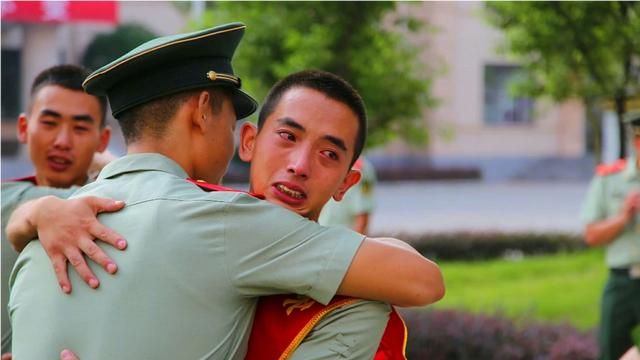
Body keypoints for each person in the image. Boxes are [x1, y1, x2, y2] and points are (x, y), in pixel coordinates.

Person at [6, 23, 443, 359]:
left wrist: (35, 213)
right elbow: (423, 282)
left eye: (329, 154)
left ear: (348, 180)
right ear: (203, 113)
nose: (299, 165)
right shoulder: (224, 222)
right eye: (286, 136)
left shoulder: (47, 230)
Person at [1, 64, 113, 357]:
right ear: (24, 128)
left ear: (103, 140)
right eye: (50, 123)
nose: (62, 142)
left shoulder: (113, 206)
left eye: (80, 128)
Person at [580, 111, 640, 360]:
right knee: (612, 351)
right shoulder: (609, 179)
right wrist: (623, 217)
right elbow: (591, 236)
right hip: (622, 282)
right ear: (637, 141)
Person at [319, 155, 377, 234]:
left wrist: (353, 245)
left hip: (342, 237)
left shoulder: (360, 168)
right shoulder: (323, 159)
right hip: (321, 234)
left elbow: (363, 216)